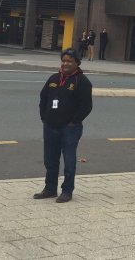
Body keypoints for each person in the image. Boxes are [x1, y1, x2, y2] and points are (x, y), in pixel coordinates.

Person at [33, 48, 92, 203]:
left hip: (70, 129)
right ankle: (50, 189)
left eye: (69, 61)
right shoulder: (53, 78)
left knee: (69, 161)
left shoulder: (82, 81)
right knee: (50, 160)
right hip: (50, 126)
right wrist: (44, 117)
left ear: (76, 63)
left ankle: (67, 191)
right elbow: (43, 98)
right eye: (64, 60)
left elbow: (86, 106)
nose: (65, 63)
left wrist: (73, 121)